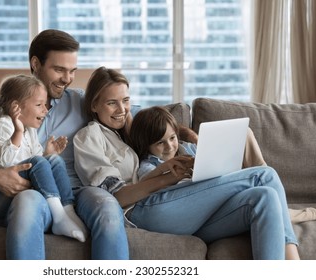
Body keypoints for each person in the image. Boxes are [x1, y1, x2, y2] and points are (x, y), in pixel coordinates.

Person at [73, 66, 300, 260]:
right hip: (143, 211)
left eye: (126, 101)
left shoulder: (128, 125)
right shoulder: (89, 136)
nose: (122, 110)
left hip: (182, 213)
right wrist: (167, 177)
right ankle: (294, 264)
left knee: (263, 197)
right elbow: (118, 196)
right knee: (264, 175)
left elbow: (160, 123)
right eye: (112, 103)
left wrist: (188, 136)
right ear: (94, 105)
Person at [0, 29, 128, 259]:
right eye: (59, 70)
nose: (67, 79)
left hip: (80, 189)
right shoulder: (11, 108)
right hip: (33, 192)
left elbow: (126, 113)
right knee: (27, 202)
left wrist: (178, 131)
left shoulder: (80, 101)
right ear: (36, 64)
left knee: (107, 207)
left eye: (72, 71)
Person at [0, 74, 87, 242]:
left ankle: (68, 211)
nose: (46, 110)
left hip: (15, 192)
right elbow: (3, 162)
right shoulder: (2, 125)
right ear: (17, 107)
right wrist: (18, 132)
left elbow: (36, 164)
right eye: (39, 105)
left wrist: (48, 155)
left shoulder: (30, 130)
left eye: (45, 104)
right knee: (38, 161)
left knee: (55, 161)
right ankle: (58, 217)